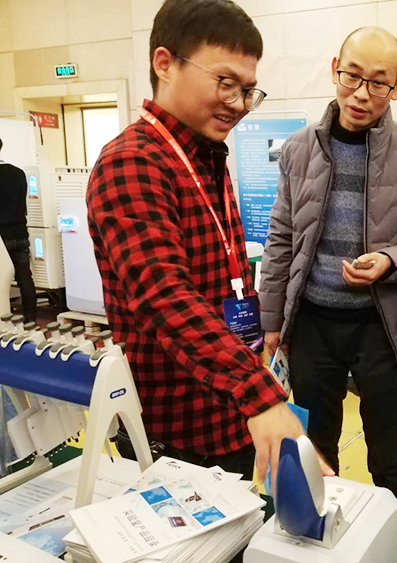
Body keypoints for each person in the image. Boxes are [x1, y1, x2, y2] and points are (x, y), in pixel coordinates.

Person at [87, 0, 317, 485]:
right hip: (179, 431)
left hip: (227, 410)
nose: (238, 103)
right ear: (165, 64)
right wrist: (259, 394)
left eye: (248, 90)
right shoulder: (133, 161)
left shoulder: (205, 156)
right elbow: (165, 297)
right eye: (225, 82)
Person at [259, 27, 397, 519]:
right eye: (352, 76)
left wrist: (390, 261)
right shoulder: (298, 149)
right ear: (335, 69)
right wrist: (271, 321)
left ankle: (395, 538)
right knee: (313, 444)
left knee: (390, 451)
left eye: (378, 82)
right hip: (313, 325)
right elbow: (281, 239)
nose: (361, 93)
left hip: (383, 327)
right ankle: (311, 533)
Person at [0, 138, 36, 323]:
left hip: (1, 236)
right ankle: (31, 319)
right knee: (25, 278)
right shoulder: (19, 173)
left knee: (1, 280)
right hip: (20, 232)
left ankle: (4, 320)